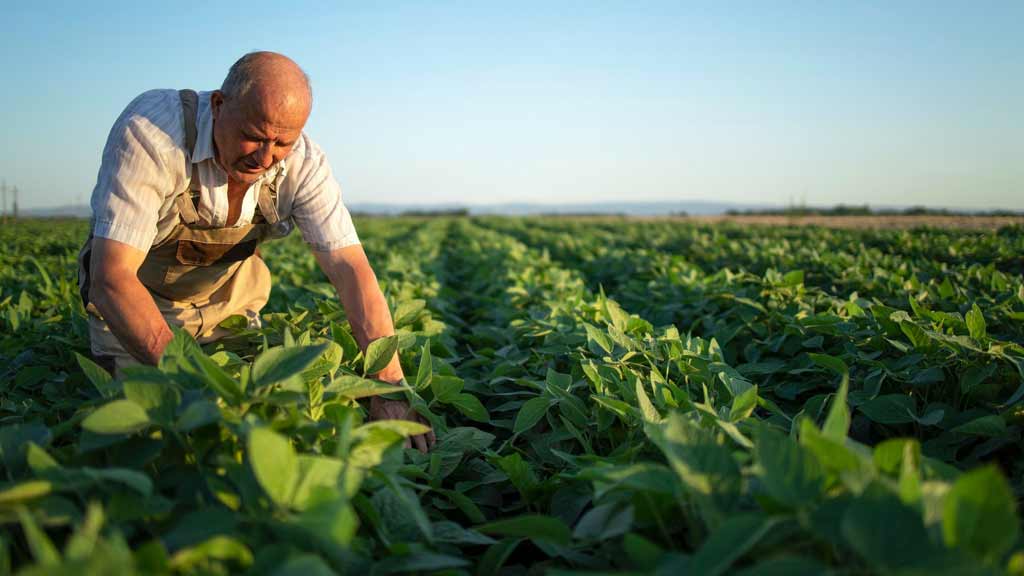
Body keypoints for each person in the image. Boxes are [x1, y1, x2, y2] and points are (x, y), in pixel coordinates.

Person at [77, 51, 435, 451]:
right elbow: (111, 280)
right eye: (255, 135)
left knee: (276, 426)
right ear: (218, 105)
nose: (265, 158)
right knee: (158, 435)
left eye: (282, 142)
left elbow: (351, 270)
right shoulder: (152, 132)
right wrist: (201, 387)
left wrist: (386, 389)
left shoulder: (304, 163)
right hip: (137, 309)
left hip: (229, 307)